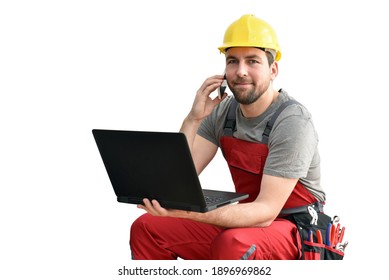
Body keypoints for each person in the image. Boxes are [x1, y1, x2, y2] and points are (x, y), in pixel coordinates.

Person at [129, 14, 325, 260]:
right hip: (248, 220)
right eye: (233, 61)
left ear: (273, 69)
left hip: (294, 229)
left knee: (234, 243)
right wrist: (193, 119)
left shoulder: (292, 121)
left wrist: (188, 212)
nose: (240, 71)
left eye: (252, 61)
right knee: (147, 227)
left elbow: (266, 212)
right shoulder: (223, 111)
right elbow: (172, 182)